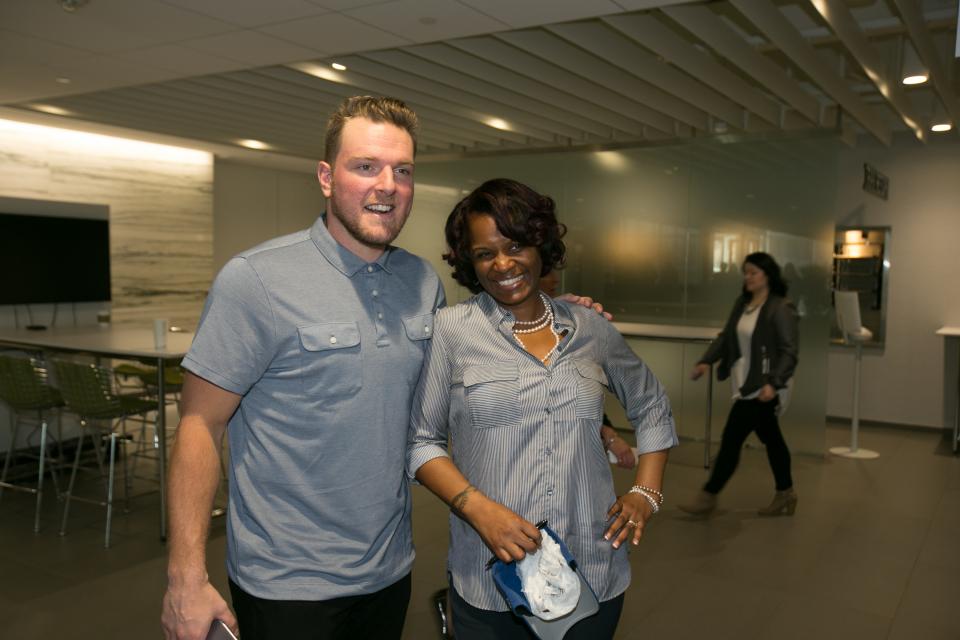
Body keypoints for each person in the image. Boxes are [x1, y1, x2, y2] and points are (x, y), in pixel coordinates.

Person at [161, 97, 609, 640]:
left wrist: (555, 319)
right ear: (327, 177)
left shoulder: (421, 284)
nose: (387, 185)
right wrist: (185, 575)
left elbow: (476, 383)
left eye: (403, 171)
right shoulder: (256, 279)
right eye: (366, 166)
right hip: (286, 581)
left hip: (389, 569)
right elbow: (199, 425)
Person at [407, 178, 677, 639]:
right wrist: (479, 510)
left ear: (541, 246)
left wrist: (645, 493)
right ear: (469, 263)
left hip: (591, 565)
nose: (503, 264)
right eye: (484, 253)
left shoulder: (591, 329)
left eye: (515, 245)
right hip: (492, 576)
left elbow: (651, 406)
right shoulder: (452, 332)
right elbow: (420, 444)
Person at [679, 252, 799, 517]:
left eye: (753, 272)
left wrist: (774, 384)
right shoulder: (743, 303)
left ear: (768, 275)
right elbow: (727, 336)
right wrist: (706, 361)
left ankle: (708, 496)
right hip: (744, 381)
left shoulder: (780, 307)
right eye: (746, 272)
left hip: (763, 386)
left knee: (732, 439)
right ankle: (786, 493)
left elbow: (789, 351)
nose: (748, 277)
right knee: (773, 439)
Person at [540, 269, 635, 469]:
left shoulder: (565, 324)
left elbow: (580, 393)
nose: (555, 279)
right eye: (546, 272)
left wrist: (608, 433)